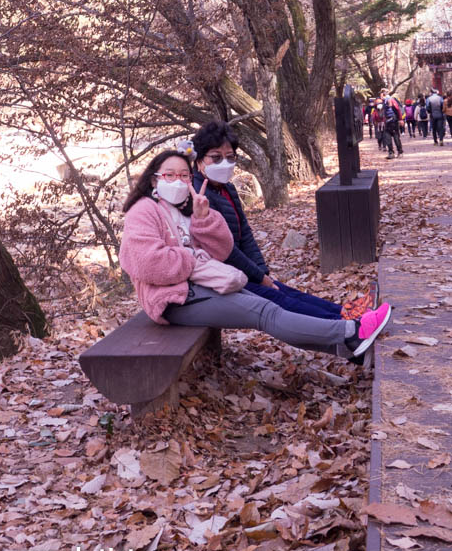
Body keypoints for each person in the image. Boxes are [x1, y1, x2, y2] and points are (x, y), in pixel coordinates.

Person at [119, 149, 392, 362]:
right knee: (264, 312)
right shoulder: (144, 210)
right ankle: (351, 333)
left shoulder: (185, 209)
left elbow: (220, 251)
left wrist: (203, 219)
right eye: (170, 175)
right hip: (173, 300)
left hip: (203, 285)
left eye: (184, 176)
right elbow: (148, 263)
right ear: (154, 179)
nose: (178, 182)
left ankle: (348, 349)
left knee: (270, 305)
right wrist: (193, 259)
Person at [191, 121, 355, 320]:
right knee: (280, 300)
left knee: (286, 291)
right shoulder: (198, 198)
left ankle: (346, 313)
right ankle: (345, 326)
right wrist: (259, 277)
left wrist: (261, 272)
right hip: (222, 278)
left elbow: (245, 234)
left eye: (230, 157)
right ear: (199, 161)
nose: (224, 164)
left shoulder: (228, 188)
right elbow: (226, 251)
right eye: (216, 158)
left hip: (244, 271)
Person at [383, 94, 403, 159]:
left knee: (396, 138)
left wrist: (400, 120)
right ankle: (391, 153)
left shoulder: (394, 103)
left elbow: (398, 111)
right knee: (388, 139)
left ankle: (400, 152)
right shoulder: (384, 104)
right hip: (387, 124)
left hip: (394, 123)